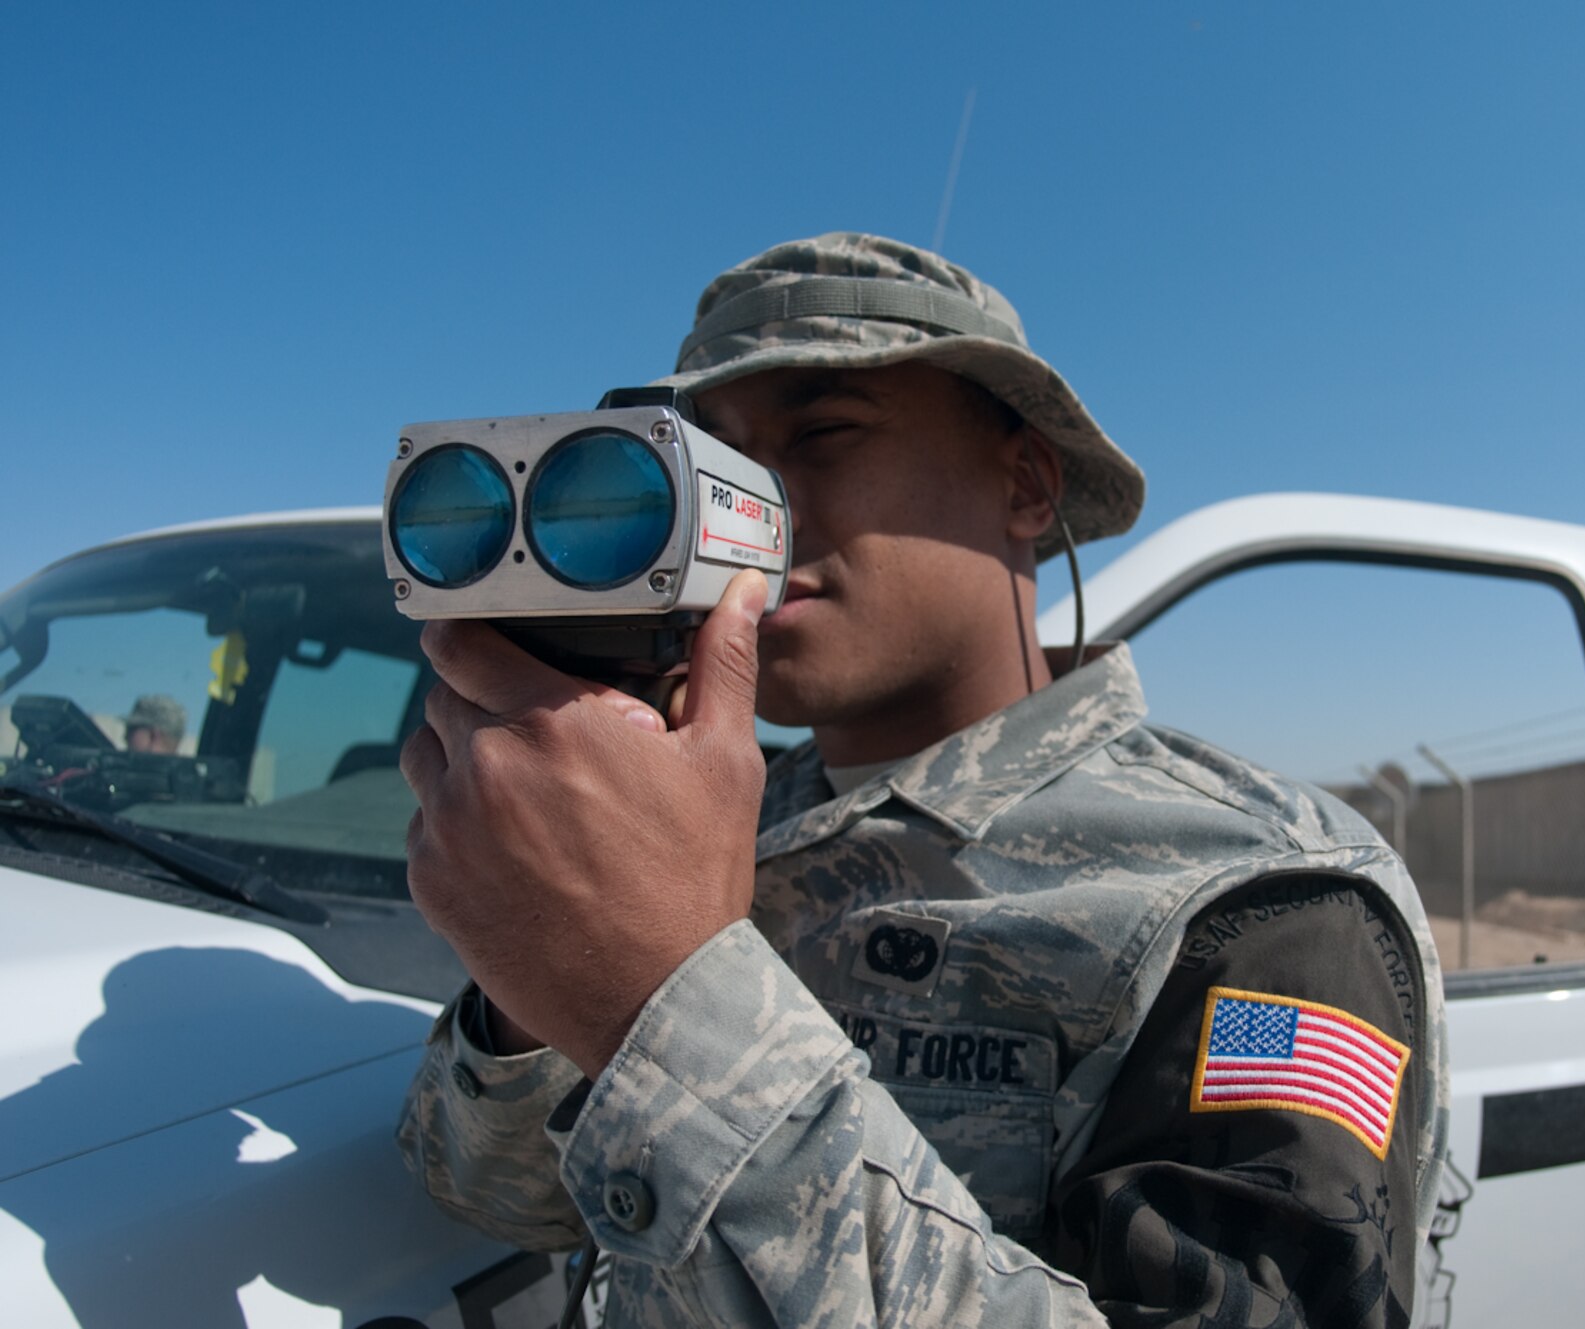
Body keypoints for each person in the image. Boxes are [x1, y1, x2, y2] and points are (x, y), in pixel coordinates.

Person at [397, 233, 1446, 1327]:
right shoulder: (705, 824)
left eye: (822, 434)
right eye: (710, 462)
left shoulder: (1257, 899)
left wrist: (664, 999)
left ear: (1026, 481)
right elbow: (494, 1196)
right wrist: (544, 978)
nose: (747, 515)